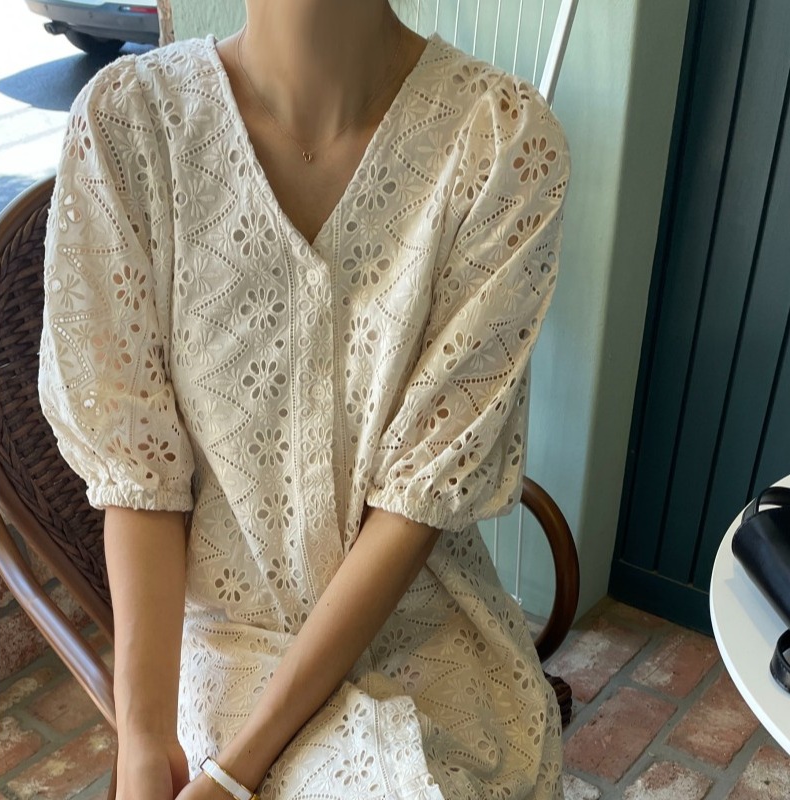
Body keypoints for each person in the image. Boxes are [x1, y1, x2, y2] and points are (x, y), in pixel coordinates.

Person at [38, 1, 571, 798]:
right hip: (223, 647)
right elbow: (140, 474)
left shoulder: (502, 143)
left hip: (425, 638)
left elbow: (417, 498)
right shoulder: (130, 127)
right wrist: (145, 743)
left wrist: (236, 774)